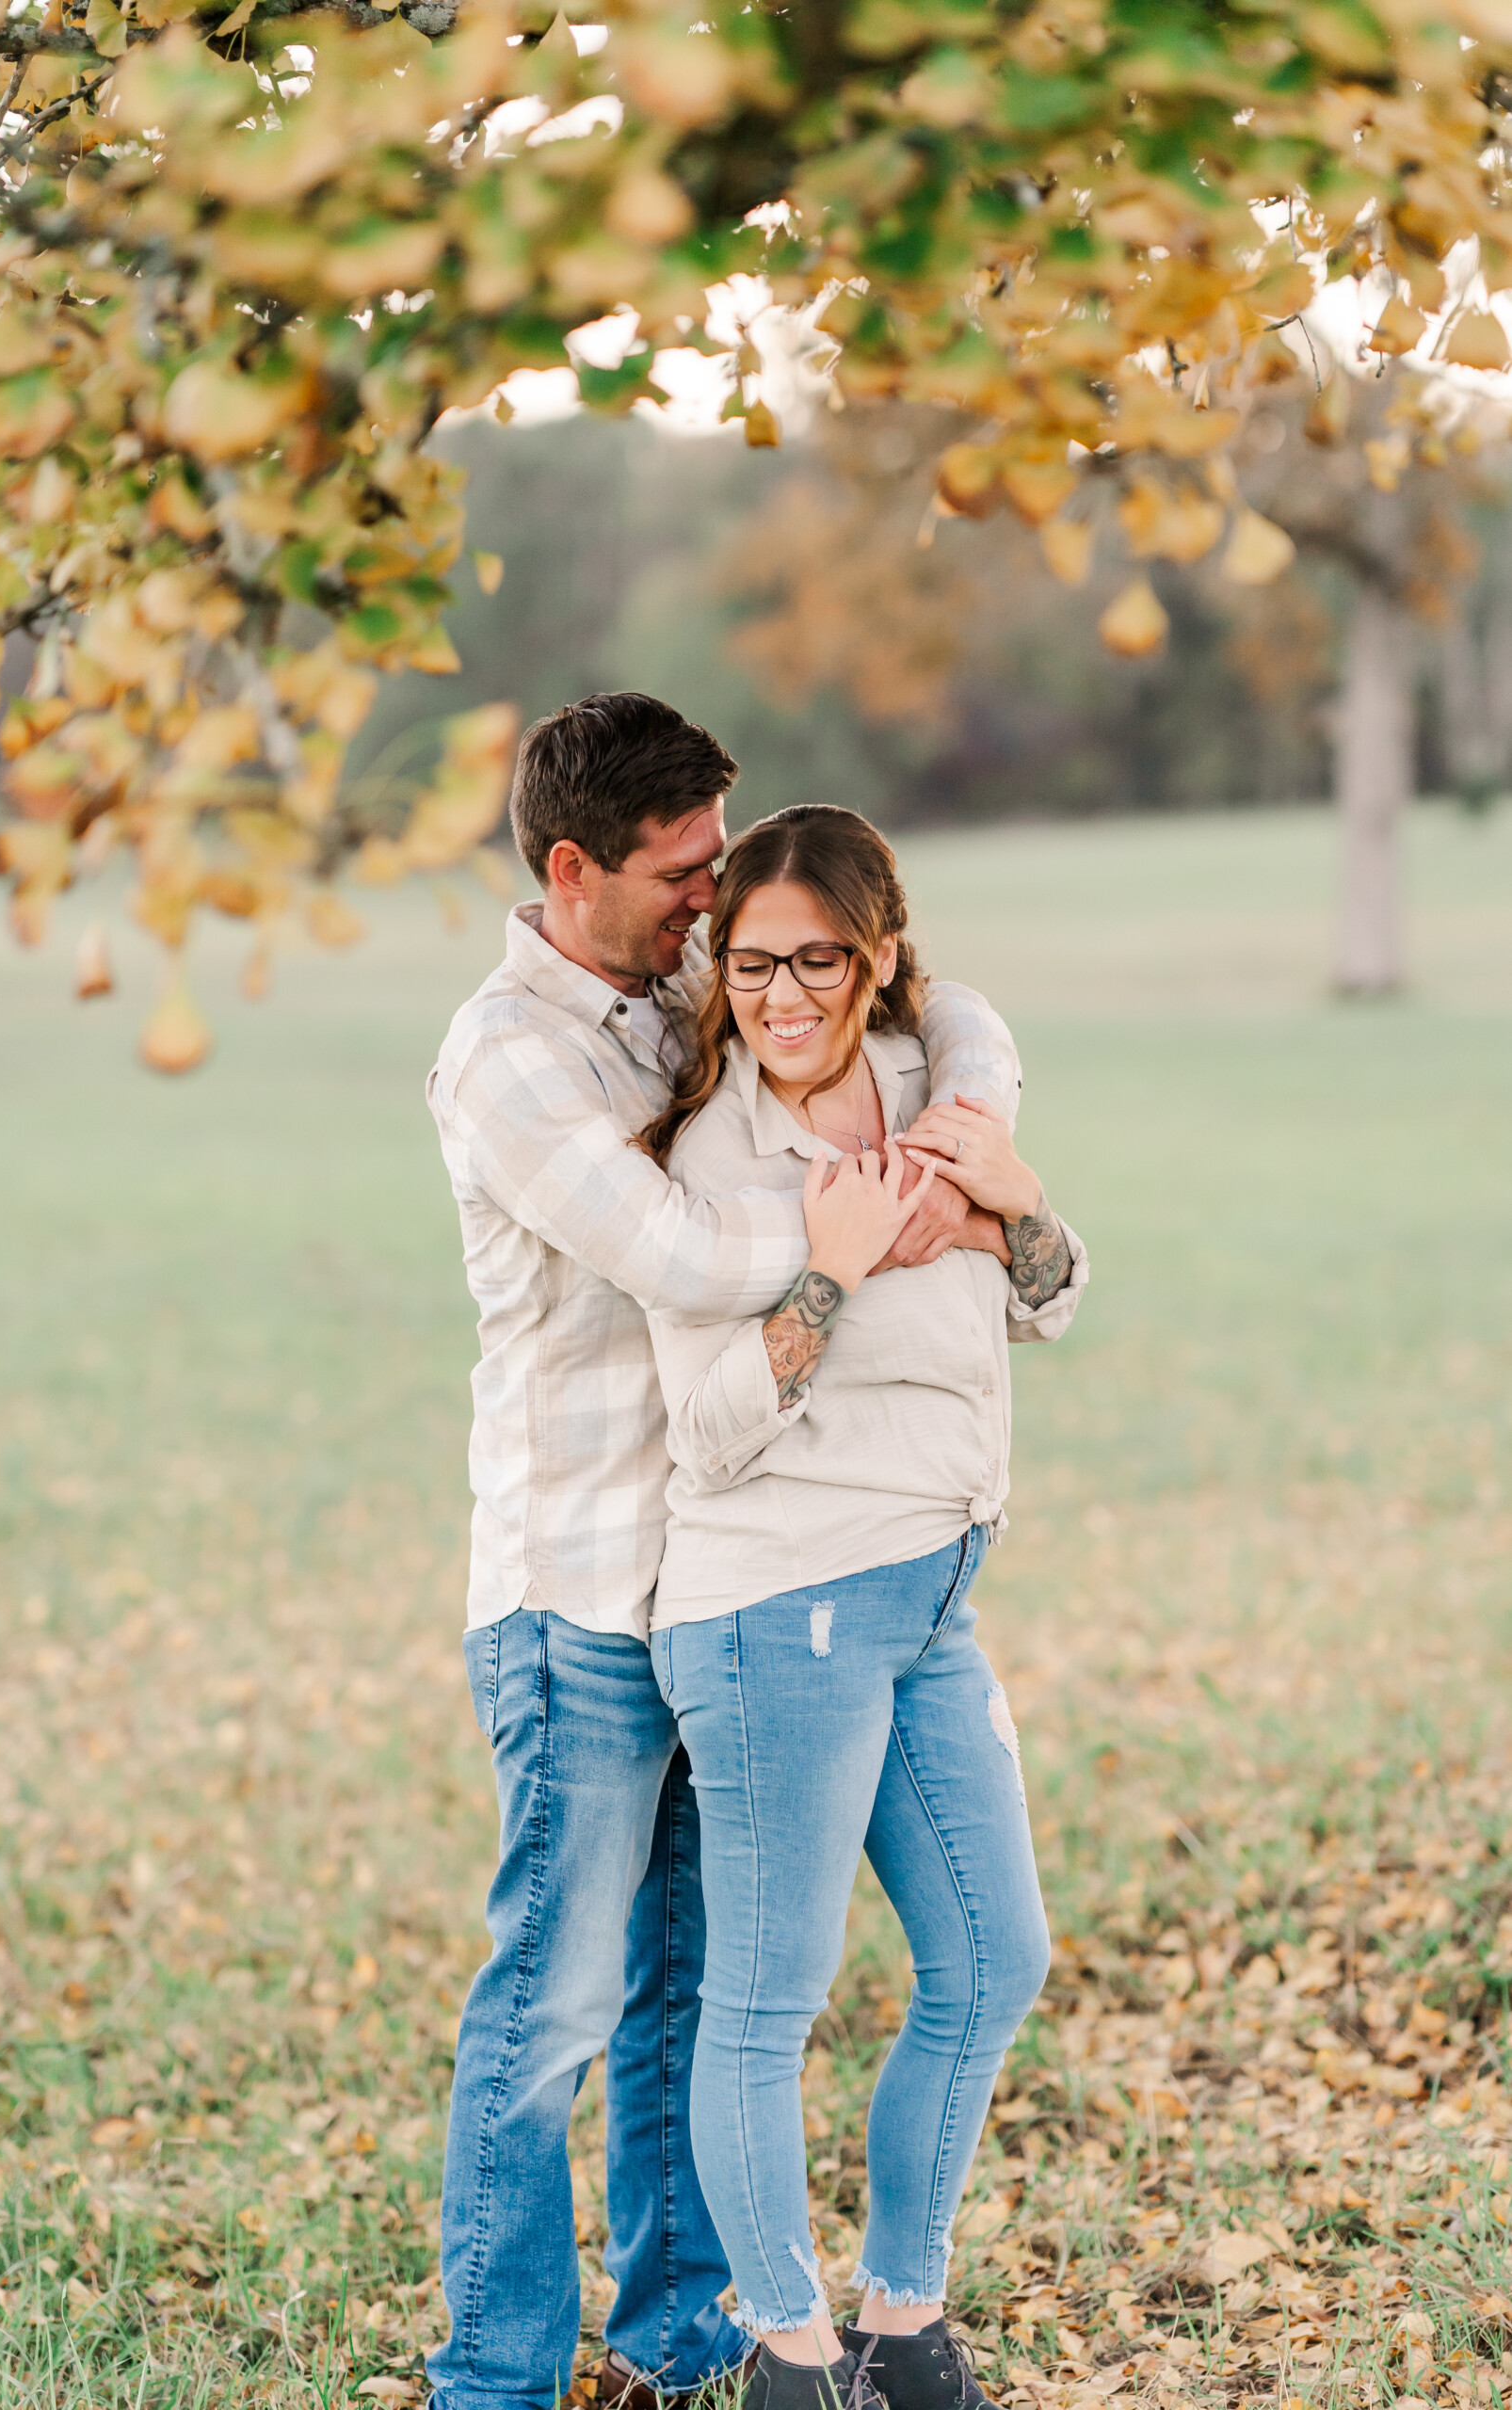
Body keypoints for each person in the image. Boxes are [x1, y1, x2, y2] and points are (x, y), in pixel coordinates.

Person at [426, 696, 1026, 2410]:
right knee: (553, 2002)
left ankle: (688, 2332)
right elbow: (689, 1250)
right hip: (578, 1590)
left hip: (725, 1569)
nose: (711, 908)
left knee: (693, 1992)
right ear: (571, 867)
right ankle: (495, 2370)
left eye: (715, 875)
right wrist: (904, 1200)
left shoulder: (680, 981)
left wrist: (963, 1127)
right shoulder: (511, 1056)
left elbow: (926, 999)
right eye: (682, 875)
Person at [637, 804, 1088, 2410]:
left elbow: (1052, 1299)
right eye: (751, 964)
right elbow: (701, 1430)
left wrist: (1019, 1206)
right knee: (768, 2002)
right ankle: (790, 2350)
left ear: (878, 956)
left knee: (993, 1957)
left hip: (929, 1593)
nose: (781, 994)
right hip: (777, 1612)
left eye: (817, 958)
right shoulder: (712, 1165)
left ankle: (902, 2322)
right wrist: (819, 1280)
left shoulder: (941, 1096)